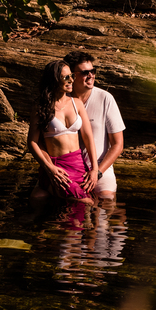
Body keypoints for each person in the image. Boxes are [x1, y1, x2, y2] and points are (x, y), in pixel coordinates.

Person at [27, 60, 98, 204]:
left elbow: (88, 138)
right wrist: (50, 169)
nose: (71, 80)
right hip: (58, 167)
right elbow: (32, 142)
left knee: (90, 203)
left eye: (71, 76)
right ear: (54, 80)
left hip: (79, 165)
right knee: (86, 202)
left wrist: (95, 170)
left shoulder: (76, 103)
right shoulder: (40, 106)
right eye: (66, 77)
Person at [63, 51, 125, 202]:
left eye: (93, 71)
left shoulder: (106, 98)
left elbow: (118, 144)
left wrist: (97, 173)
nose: (91, 75)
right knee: (40, 198)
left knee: (106, 198)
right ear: (72, 76)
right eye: (85, 72)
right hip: (68, 166)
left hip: (99, 166)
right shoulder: (61, 99)